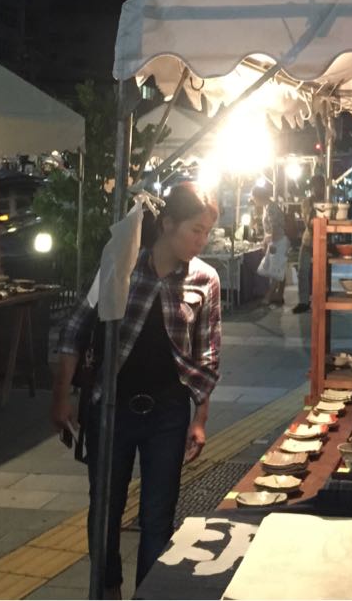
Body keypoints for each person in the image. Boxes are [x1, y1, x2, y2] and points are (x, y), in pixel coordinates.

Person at [50, 182, 221, 597]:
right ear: (168, 224)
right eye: (195, 230)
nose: (201, 241)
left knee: (158, 517)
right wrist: (61, 397)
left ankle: (148, 593)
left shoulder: (206, 278)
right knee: (104, 511)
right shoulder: (121, 265)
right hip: (112, 407)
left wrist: (200, 418)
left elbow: (207, 355)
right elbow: (75, 328)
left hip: (168, 412)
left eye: (206, 232)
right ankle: (106, 590)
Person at [292, 175, 327, 314]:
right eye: (316, 186)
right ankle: (304, 301)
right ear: (312, 188)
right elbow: (308, 221)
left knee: (322, 272)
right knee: (303, 271)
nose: (318, 189)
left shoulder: (327, 201)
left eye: (320, 186)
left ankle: (320, 299)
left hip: (323, 240)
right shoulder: (307, 202)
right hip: (308, 241)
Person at [252, 182, 288, 307]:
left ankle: (269, 296)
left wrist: (266, 242)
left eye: (254, 198)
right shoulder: (268, 206)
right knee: (279, 268)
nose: (254, 201)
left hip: (278, 241)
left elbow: (274, 227)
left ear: (258, 197)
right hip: (277, 240)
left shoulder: (270, 207)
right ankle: (279, 295)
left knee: (276, 269)